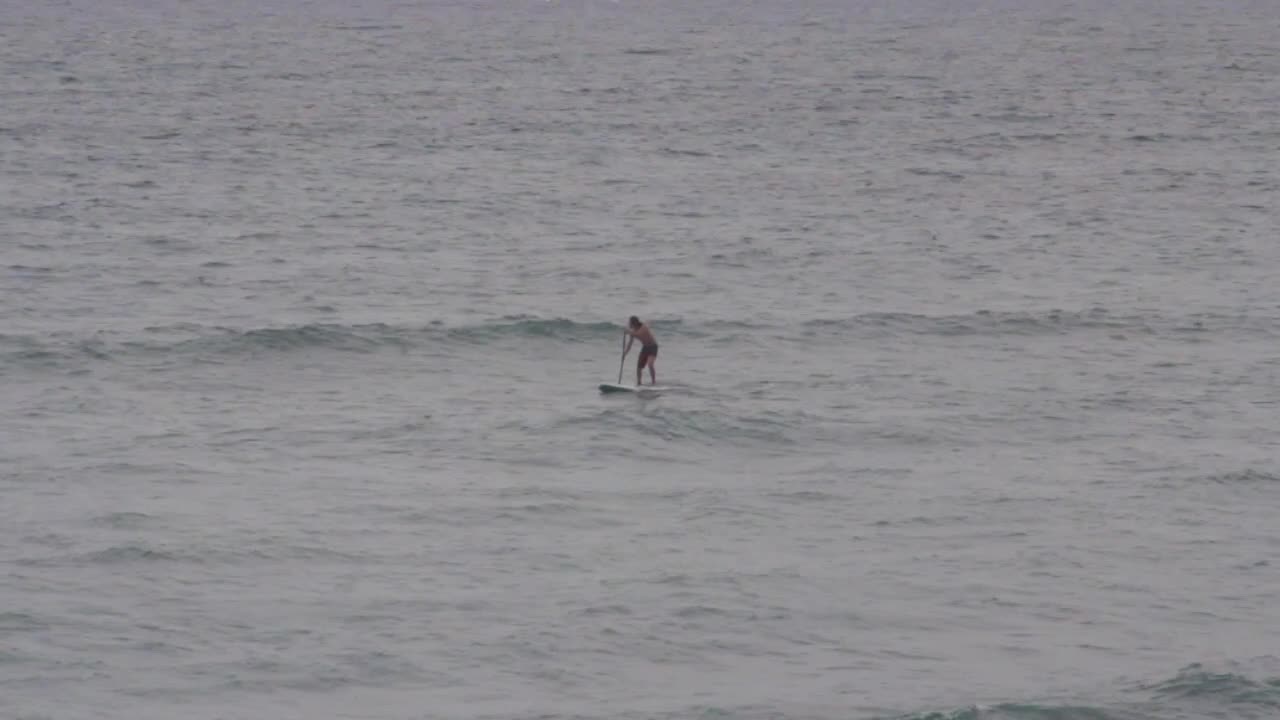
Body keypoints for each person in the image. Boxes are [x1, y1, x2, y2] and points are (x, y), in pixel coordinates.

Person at [623, 315, 658, 386]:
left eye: (630, 323)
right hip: (645, 348)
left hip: (653, 347)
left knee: (650, 364)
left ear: (634, 323)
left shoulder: (643, 327)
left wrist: (628, 332)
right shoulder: (633, 331)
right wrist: (624, 354)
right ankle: (639, 383)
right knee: (639, 367)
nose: (629, 324)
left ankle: (653, 382)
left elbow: (639, 334)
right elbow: (630, 344)